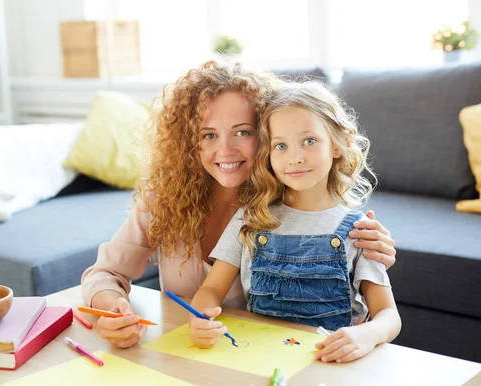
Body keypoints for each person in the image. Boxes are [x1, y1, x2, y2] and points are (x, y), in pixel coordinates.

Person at [81, 61, 397, 349]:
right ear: (190, 142)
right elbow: (106, 273)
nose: (225, 150)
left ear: (265, 136)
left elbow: (379, 306)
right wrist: (113, 311)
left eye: (242, 132)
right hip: (197, 352)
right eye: (208, 135)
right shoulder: (166, 197)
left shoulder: (283, 205)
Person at [189, 81, 401, 363]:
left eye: (309, 141)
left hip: (331, 363)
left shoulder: (359, 229)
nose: (296, 157)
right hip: (259, 359)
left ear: (337, 145)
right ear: (269, 156)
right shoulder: (251, 218)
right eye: (281, 146)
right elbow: (211, 290)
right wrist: (201, 318)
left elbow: (389, 316)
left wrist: (369, 335)